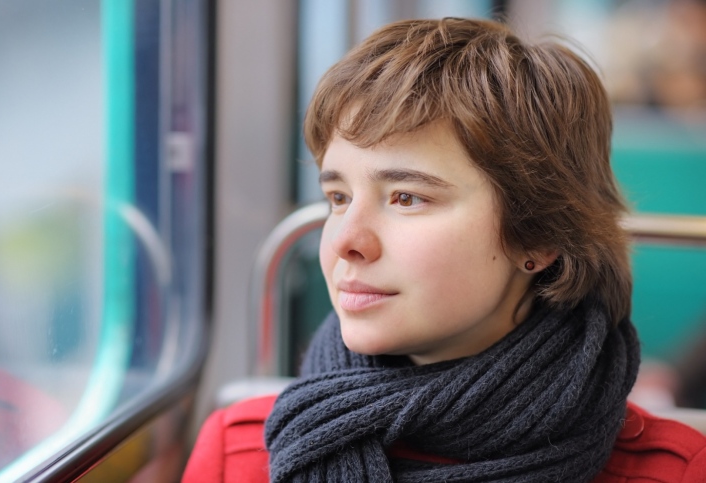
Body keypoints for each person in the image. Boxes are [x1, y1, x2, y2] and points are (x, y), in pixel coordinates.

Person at [183, 17, 706, 482]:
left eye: (406, 197)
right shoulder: (240, 451)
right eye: (337, 197)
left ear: (538, 235)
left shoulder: (676, 470)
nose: (345, 241)